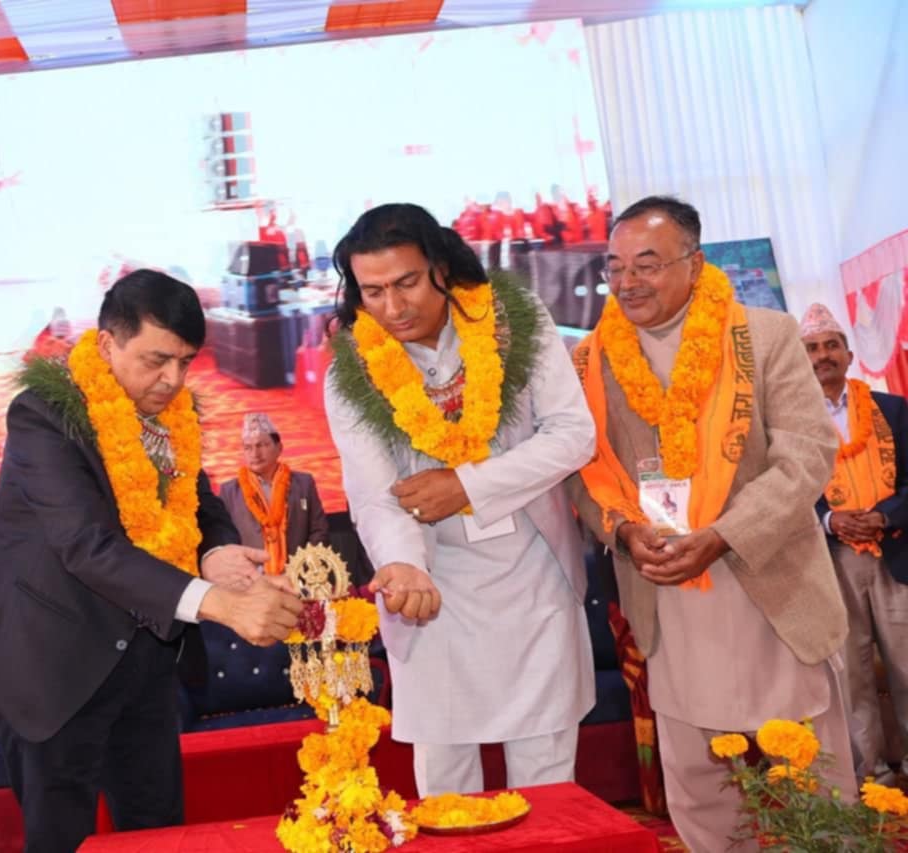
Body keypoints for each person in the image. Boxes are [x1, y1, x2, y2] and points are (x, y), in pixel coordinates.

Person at [0, 270, 304, 853]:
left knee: (158, 835)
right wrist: (220, 604)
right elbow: (87, 545)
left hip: (147, 667)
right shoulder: (41, 415)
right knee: (62, 842)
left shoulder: (171, 417)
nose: (173, 379)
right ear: (107, 345)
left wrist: (215, 552)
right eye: (157, 360)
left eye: (185, 362)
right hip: (55, 669)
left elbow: (199, 504)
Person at [567, 196, 856, 850]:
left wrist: (723, 534)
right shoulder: (588, 361)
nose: (628, 282)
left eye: (647, 264)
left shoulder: (766, 335)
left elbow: (807, 453)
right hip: (666, 590)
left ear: (695, 265)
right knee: (699, 780)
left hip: (770, 580)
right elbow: (581, 472)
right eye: (615, 266)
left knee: (814, 770)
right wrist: (623, 531)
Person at [324, 203, 597, 797]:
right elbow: (373, 495)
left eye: (407, 283)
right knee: (447, 789)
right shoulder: (351, 371)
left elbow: (574, 435)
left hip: (533, 579)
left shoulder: (516, 322)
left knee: (548, 786)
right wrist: (402, 565)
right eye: (373, 291)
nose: (393, 307)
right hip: (431, 592)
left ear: (442, 268)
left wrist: (467, 486)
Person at [801, 302, 908, 785]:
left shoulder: (892, 409)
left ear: (848, 354)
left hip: (895, 551)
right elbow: (788, 490)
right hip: (832, 559)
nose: (822, 355)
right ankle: (873, 774)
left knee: (907, 664)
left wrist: (884, 515)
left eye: (831, 345)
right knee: (853, 673)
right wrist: (829, 519)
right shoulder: (790, 421)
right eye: (811, 348)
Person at [218, 413, 328, 576]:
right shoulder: (229, 492)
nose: (255, 453)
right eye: (248, 448)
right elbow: (225, 540)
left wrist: (302, 569)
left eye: (262, 445)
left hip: (299, 577)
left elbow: (319, 531)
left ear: (279, 448)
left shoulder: (304, 484)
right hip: (252, 581)